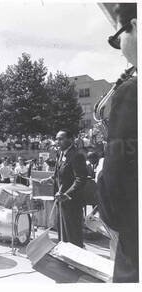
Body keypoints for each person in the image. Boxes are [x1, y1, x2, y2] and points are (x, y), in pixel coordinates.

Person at [97, 3, 138, 283]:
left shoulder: (131, 94)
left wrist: (102, 172)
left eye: (117, 37)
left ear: (135, 27)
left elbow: (113, 212)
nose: (119, 46)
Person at [41, 130, 87, 248]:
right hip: (61, 202)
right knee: (63, 234)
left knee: (73, 236)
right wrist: (50, 179)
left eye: (61, 139)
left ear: (71, 140)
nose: (57, 142)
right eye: (56, 139)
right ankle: (66, 259)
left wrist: (67, 194)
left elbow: (81, 179)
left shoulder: (77, 155)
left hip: (72, 202)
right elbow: (60, 173)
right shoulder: (61, 154)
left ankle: (76, 262)